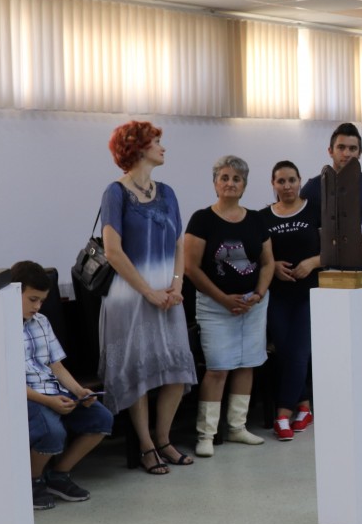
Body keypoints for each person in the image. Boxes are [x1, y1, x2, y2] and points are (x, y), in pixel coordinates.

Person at [98, 120, 196, 475]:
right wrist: (148, 291)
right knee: (137, 372)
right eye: (156, 141)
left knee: (176, 369)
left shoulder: (167, 192)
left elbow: (178, 245)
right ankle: (145, 445)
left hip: (168, 294)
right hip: (129, 296)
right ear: (138, 148)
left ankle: (164, 439)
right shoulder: (115, 192)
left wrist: (177, 285)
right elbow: (113, 251)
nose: (163, 147)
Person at [300, 123, 362, 418]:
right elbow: (303, 227)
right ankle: (334, 397)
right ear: (330, 150)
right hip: (328, 276)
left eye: (353, 148)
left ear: (360, 153)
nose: (347, 153)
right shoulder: (314, 186)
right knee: (333, 342)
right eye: (341, 147)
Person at [184, 155, 275, 455]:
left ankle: (237, 427)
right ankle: (206, 434)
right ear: (215, 183)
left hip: (252, 304)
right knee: (218, 367)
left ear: (244, 185)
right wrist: (223, 298)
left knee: (247, 364)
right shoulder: (202, 219)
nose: (230, 183)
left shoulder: (257, 219)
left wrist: (259, 294)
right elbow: (191, 267)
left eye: (237, 179)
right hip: (215, 306)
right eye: (224, 177)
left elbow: (268, 262)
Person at [15, 261, 114, 509]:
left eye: (42, 301)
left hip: (54, 392)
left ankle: (58, 474)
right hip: (27, 396)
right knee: (52, 432)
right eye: (32, 300)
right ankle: (32, 481)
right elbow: (8, 381)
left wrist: (79, 391)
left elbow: (56, 366)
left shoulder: (41, 321)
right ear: (15, 292)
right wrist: (48, 402)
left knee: (101, 419)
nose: (37, 307)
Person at [263, 161, 320, 441]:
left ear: (300, 181)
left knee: (298, 351)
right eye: (281, 181)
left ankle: (283, 413)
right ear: (273, 184)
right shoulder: (263, 217)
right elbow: (258, 255)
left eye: (291, 180)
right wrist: (272, 265)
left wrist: (313, 262)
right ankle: (305, 407)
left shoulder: (315, 210)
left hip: (310, 293)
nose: (287, 186)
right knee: (285, 352)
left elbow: (336, 247)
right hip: (278, 295)